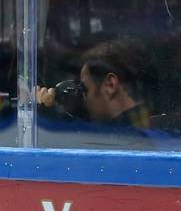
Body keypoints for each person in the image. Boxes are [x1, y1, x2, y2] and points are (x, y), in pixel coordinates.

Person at [37, 37, 169, 148]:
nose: (85, 101)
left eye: (86, 90)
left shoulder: (126, 141)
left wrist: (47, 115)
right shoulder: (162, 131)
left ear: (110, 85)